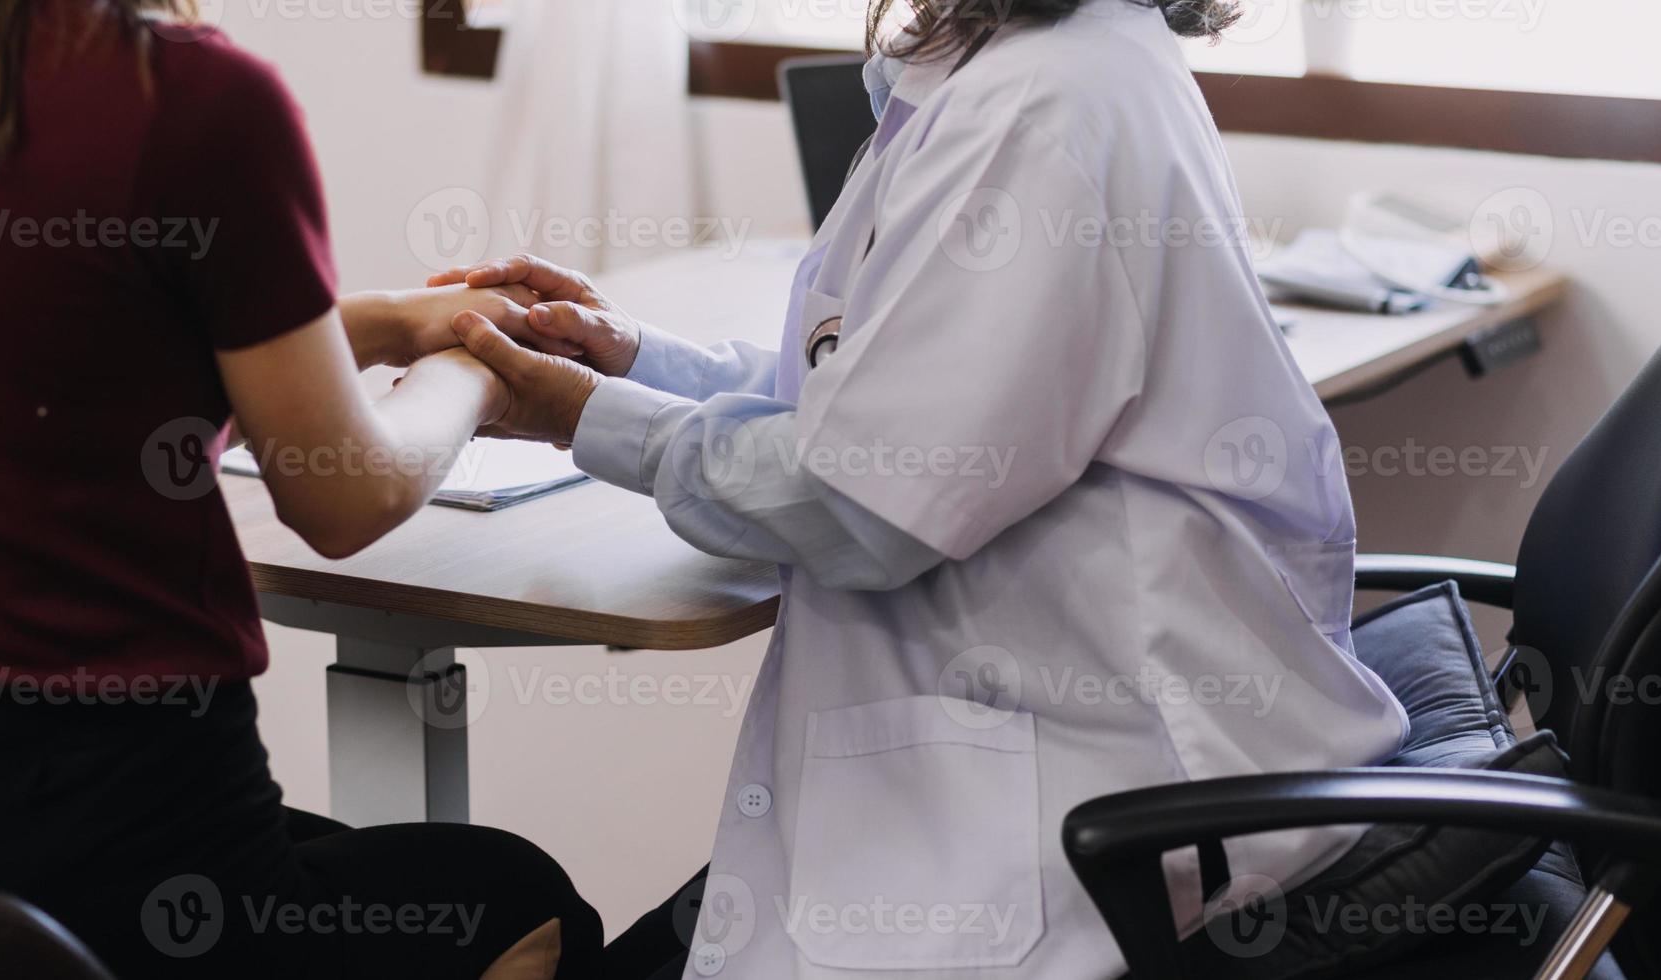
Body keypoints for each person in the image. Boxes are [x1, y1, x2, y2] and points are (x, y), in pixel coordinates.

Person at [432, 0, 1412, 976]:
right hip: (1035, 759)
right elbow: (877, 393)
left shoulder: (1041, 106)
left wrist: (586, 416)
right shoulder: (1027, 66)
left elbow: (859, 498)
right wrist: (639, 366)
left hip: (1088, 818)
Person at [0, 1, 598, 976]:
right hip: (137, 851)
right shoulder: (186, 97)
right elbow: (347, 496)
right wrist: (478, 371)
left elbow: (91, 335)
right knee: (522, 902)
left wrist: (402, 320)